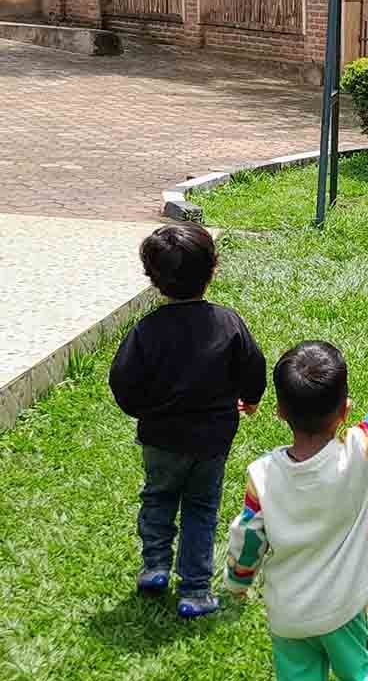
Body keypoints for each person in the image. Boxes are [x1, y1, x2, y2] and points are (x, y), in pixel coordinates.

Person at [224, 302, 368, 681]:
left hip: (289, 617)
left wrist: (238, 581)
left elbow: (248, 536)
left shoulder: (262, 477)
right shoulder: (359, 452)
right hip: (342, 609)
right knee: (361, 674)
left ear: (280, 410)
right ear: (345, 409)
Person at [109, 223, 267, 618]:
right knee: (201, 506)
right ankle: (195, 590)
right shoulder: (228, 322)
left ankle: (155, 566)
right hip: (212, 441)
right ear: (213, 270)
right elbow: (253, 365)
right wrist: (251, 398)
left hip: (160, 440)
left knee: (158, 496)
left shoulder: (146, 331)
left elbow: (123, 382)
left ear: (155, 280)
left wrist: (145, 411)